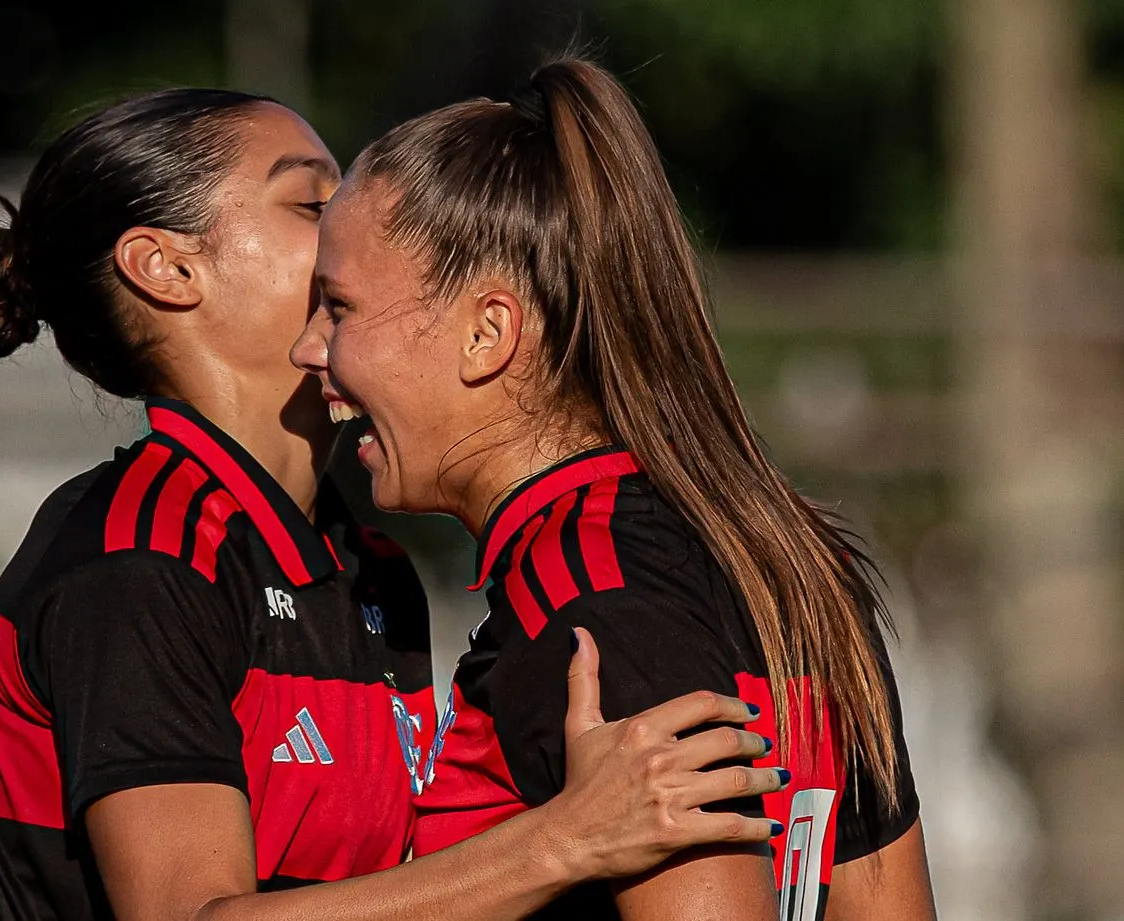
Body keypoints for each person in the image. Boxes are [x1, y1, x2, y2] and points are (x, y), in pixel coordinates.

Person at [0, 88, 788, 921]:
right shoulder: (138, 559)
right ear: (169, 267)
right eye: (310, 201)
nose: (355, 216)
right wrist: (564, 841)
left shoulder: (370, 567)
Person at [290, 58, 938, 921]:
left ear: (488, 334)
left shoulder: (590, 598)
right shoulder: (769, 552)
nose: (310, 349)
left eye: (338, 308)